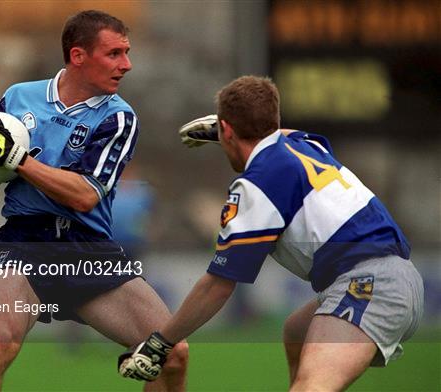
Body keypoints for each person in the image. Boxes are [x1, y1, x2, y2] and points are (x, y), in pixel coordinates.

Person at [118, 75, 424, 391]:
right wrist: (223, 128)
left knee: (313, 387)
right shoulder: (305, 145)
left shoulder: (258, 183)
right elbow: (279, 133)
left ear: (228, 130)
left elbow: (219, 285)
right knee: (297, 330)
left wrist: (162, 341)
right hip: (397, 279)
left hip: (370, 286)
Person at [0, 10, 188, 391]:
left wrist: (18, 160)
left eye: (127, 52)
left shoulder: (120, 117)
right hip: (25, 241)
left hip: (88, 248)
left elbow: (85, 196)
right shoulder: (18, 97)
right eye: (115, 54)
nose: (127, 64)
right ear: (78, 56)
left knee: (171, 354)